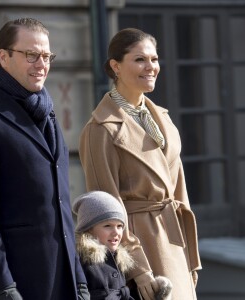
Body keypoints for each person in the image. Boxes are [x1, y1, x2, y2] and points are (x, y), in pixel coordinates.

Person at [0, 18, 89, 300]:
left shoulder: (47, 113)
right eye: (31, 55)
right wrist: (2, 288)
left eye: (47, 56)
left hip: (66, 284)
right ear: (4, 56)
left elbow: (60, 209)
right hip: (18, 286)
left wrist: (80, 280)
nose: (42, 64)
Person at [78, 28, 202, 300]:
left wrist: (192, 258)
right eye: (140, 60)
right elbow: (105, 210)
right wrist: (138, 269)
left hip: (175, 244)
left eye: (154, 59)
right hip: (141, 247)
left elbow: (179, 191)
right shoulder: (100, 129)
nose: (151, 67)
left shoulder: (162, 119)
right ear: (115, 66)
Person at [72, 191, 172, 300]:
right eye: (107, 225)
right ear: (88, 229)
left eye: (119, 226)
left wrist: (156, 291)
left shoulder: (119, 261)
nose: (116, 232)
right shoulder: (81, 260)